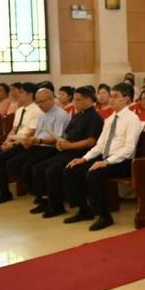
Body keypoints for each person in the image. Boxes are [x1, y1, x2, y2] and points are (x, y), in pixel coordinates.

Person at [63, 83, 143, 231]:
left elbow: (129, 148)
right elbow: (100, 145)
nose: (111, 99)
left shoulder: (132, 119)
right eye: (110, 96)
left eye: (115, 96)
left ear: (126, 99)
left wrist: (106, 162)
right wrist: (84, 158)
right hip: (107, 158)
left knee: (93, 174)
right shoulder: (110, 119)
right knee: (72, 169)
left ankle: (104, 216)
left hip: (124, 162)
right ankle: (84, 210)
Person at [34, 87, 105, 218]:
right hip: (68, 150)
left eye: (78, 100)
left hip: (82, 153)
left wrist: (69, 145)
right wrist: (62, 142)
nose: (74, 103)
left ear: (88, 100)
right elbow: (68, 135)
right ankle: (46, 201)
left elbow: (91, 141)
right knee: (40, 167)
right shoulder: (77, 116)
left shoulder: (94, 117)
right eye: (74, 100)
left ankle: (62, 207)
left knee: (53, 171)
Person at [0, 82, 43, 203]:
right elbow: (14, 129)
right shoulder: (20, 110)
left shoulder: (37, 110)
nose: (18, 95)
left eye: (21, 92)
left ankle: (5, 193)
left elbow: (31, 132)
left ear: (30, 94)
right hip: (13, 141)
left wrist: (13, 144)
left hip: (24, 144)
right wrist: (6, 141)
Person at [5, 89, 71, 208]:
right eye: (37, 102)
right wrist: (29, 141)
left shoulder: (60, 115)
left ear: (51, 99)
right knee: (13, 163)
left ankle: (42, 197)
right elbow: (38, 133)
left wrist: (38, 141)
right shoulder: (42, 114)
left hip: (52, 148)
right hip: (38, 145)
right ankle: (36, 192)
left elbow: (58, 138)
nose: (40, 105)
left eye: (42, 101)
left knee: (31, 168)